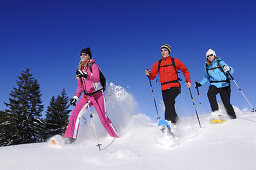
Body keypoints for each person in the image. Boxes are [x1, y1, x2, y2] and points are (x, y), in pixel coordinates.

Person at [64, 48, 118, 143]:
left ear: (89, 56)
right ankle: (70, 138)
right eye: (81, 54)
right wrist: (75, 97)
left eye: (84, 54)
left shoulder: (93, 65)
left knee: (103, 118)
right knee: (74, 115)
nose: (82, 56)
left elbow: (96, 79)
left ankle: (115, 136)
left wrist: (85, 75)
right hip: (86, 96)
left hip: (98, 95)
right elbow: (80, 87)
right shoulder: (79, 70)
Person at [145, 44, 191, 125]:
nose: (163, 52)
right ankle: (175, 122)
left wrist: (188, 80)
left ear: (169, 51)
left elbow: (185, 70)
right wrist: (148, 74)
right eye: (161, 50)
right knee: (168, 105)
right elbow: (152, 76)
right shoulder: (158, 63)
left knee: (169, 102)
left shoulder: (175, 61)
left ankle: (169, 122)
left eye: (165, 50)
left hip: (175, 86)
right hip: (164, 88)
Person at [195, 49, 236, 120]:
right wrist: (200, 84)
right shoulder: (206, 66)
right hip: (214, 84)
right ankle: (216, 113)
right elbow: (206, 77)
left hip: (224, 84)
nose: (210, 57)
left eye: (211, 55)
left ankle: (233, 118)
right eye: (208, 56)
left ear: (214, 55)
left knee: (226, 103)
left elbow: (232, 70)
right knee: (210, 94)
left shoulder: (220, 62)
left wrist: (228, 69)